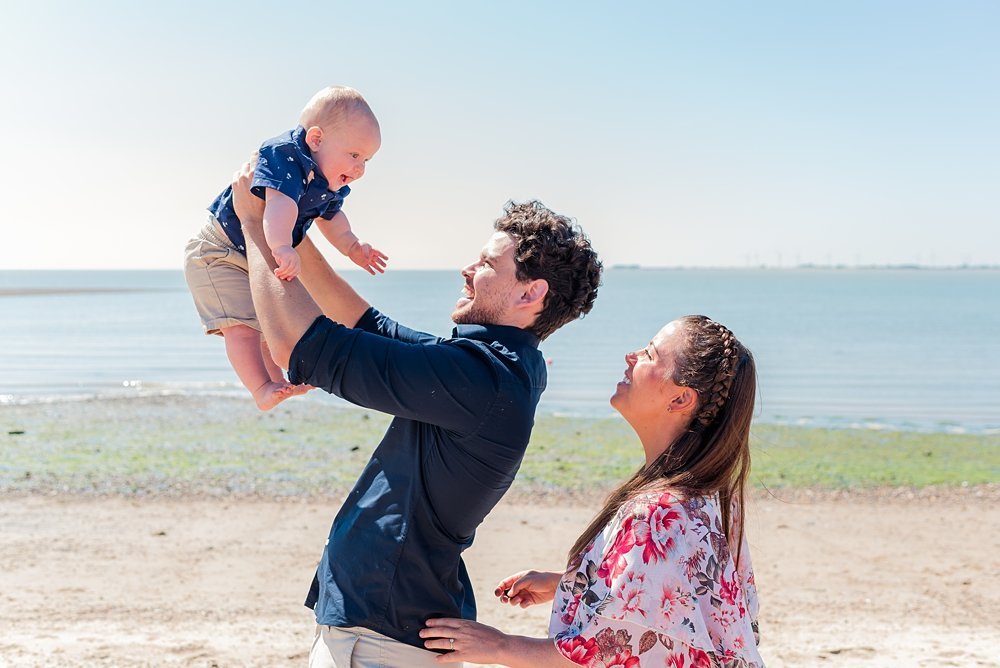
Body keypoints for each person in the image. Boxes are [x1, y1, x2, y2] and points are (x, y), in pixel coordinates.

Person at [232, 164, 603, 668]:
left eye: (487, 263)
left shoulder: (484, 379)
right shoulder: (495, 366)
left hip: (382, 639)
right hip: (385, 627)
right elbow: (368, 326)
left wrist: (253, 224)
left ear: (529, 292)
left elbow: (299, 345)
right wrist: (293, 235)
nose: (467, 270)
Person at [421, 316, 765, 667]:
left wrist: (498, 646)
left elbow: (598, 654)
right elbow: (696, 602)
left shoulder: (658, 512)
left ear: (680, 398)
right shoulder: (715, 496)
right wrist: (575, 583)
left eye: (649, 353)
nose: (631, 356)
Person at [184, 86, 388, 411]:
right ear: (317, 139)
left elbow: (332, 217)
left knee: (268, 324)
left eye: (367, 159)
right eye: (354, 155)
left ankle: (278, 381)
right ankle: (261, 389)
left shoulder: (330, 180)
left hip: (256, 253)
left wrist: (352, 246)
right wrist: (281, 244)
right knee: (242, 328)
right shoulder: (284, 155)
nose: (360, 167)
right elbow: (279, 204)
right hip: (219, 252)